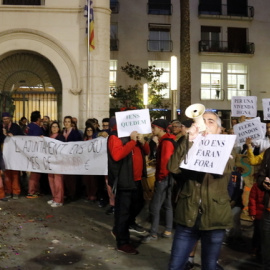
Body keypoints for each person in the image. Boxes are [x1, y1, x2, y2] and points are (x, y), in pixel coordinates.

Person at [168, 111, 235, 270]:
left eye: (210, 121)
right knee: (175, 265)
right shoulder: (188, 143)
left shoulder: (229, 149)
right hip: (187, 217)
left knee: (210, 266)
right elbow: (172, 167)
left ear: (219, 130)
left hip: (214, 218)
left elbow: (220, 170)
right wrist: (189, 140)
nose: (205, 124)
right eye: (202, 120)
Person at [108, 117, 149, 255]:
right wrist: (132, 141)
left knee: (138, 204)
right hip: (124, 181)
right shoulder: (115, 137)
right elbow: (117, 155)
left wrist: (142, 142)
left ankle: (119, 229)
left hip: (136, 180)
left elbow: (147, 152)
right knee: (123, 212)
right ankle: (122, 242)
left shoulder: (133, 136)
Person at [142, 119, 176, 243]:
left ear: (160, 129)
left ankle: (153, 233)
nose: (152, 130)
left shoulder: (166, 142)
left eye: (154, 127)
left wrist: (160, 178)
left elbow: (165, 162)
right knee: (167, 205)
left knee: (155, 206)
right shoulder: (168, 140)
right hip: (169, 177)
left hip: (164, 178)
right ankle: (168, 230)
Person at [0, 112, 24, 199]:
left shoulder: (16, 127)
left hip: (14, 154)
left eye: (7, 119)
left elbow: (22, 137)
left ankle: (16, 192)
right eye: (4, 119)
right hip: (4, 154)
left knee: (15, 173)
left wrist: (13, 136)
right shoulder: (1, 127)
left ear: (10, 118)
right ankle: (8, 191)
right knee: (6, 173)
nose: (5, 121)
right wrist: (4, 135)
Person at [256, 146, 270, 269]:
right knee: (267, 247)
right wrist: (263, 183)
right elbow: (261, 174)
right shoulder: (269, 152)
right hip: (269, 210)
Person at [62, 116, 82, 201]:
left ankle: (72, 194)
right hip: (64, 158)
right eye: (65, 121)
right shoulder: (62, 132)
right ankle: (67, 192)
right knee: (65, 176)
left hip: (72, 158)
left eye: (68, 122)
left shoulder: (75, 133)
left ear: (71, 123)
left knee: (72, 177)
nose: (67, 123)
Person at [26, 111, 44, 199]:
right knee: (35, 173)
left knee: (34, 172)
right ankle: (32, 191)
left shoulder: (28, 126)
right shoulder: (37, 128)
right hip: (36, 153)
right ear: (38, 119)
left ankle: (35, 190)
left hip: (29, 152)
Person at [46, 121, 65, 207]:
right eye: (52, 127)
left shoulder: (61, 137)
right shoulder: (49, 137)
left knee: (58, 181)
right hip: (50, 162)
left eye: (56, 127)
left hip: (58, 162)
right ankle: (54, 197)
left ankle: (59, 200)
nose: (54, 128)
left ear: (58, 128)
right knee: (51, 180)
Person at [82, 124, 99, 203]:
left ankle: (93, 195)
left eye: (91, 130)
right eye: (88, 130)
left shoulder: (96, 139)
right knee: (86, 180)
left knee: (93, 180)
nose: (89, 132)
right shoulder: (84, 140)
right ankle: (88, 194)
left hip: (93, 163)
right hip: (85, 163)